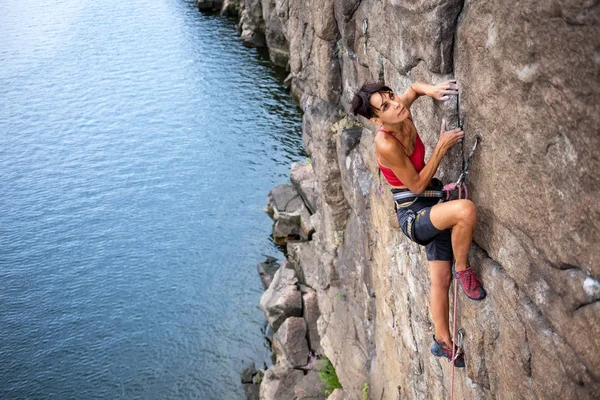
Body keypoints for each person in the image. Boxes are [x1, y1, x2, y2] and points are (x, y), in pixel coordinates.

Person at [350, 81, 486, 368]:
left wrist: (432, 89)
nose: (396, 104)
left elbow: (411, 89)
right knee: (464, 210)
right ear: (377, 120)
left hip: (431, 203)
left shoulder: (400, 111)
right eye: (385, 106)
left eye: (391, 97)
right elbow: (416, 184)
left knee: (440, 280)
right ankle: (463, 269)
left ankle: (443, 342)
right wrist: (440, 148)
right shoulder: (385, 143)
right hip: (414, 215)